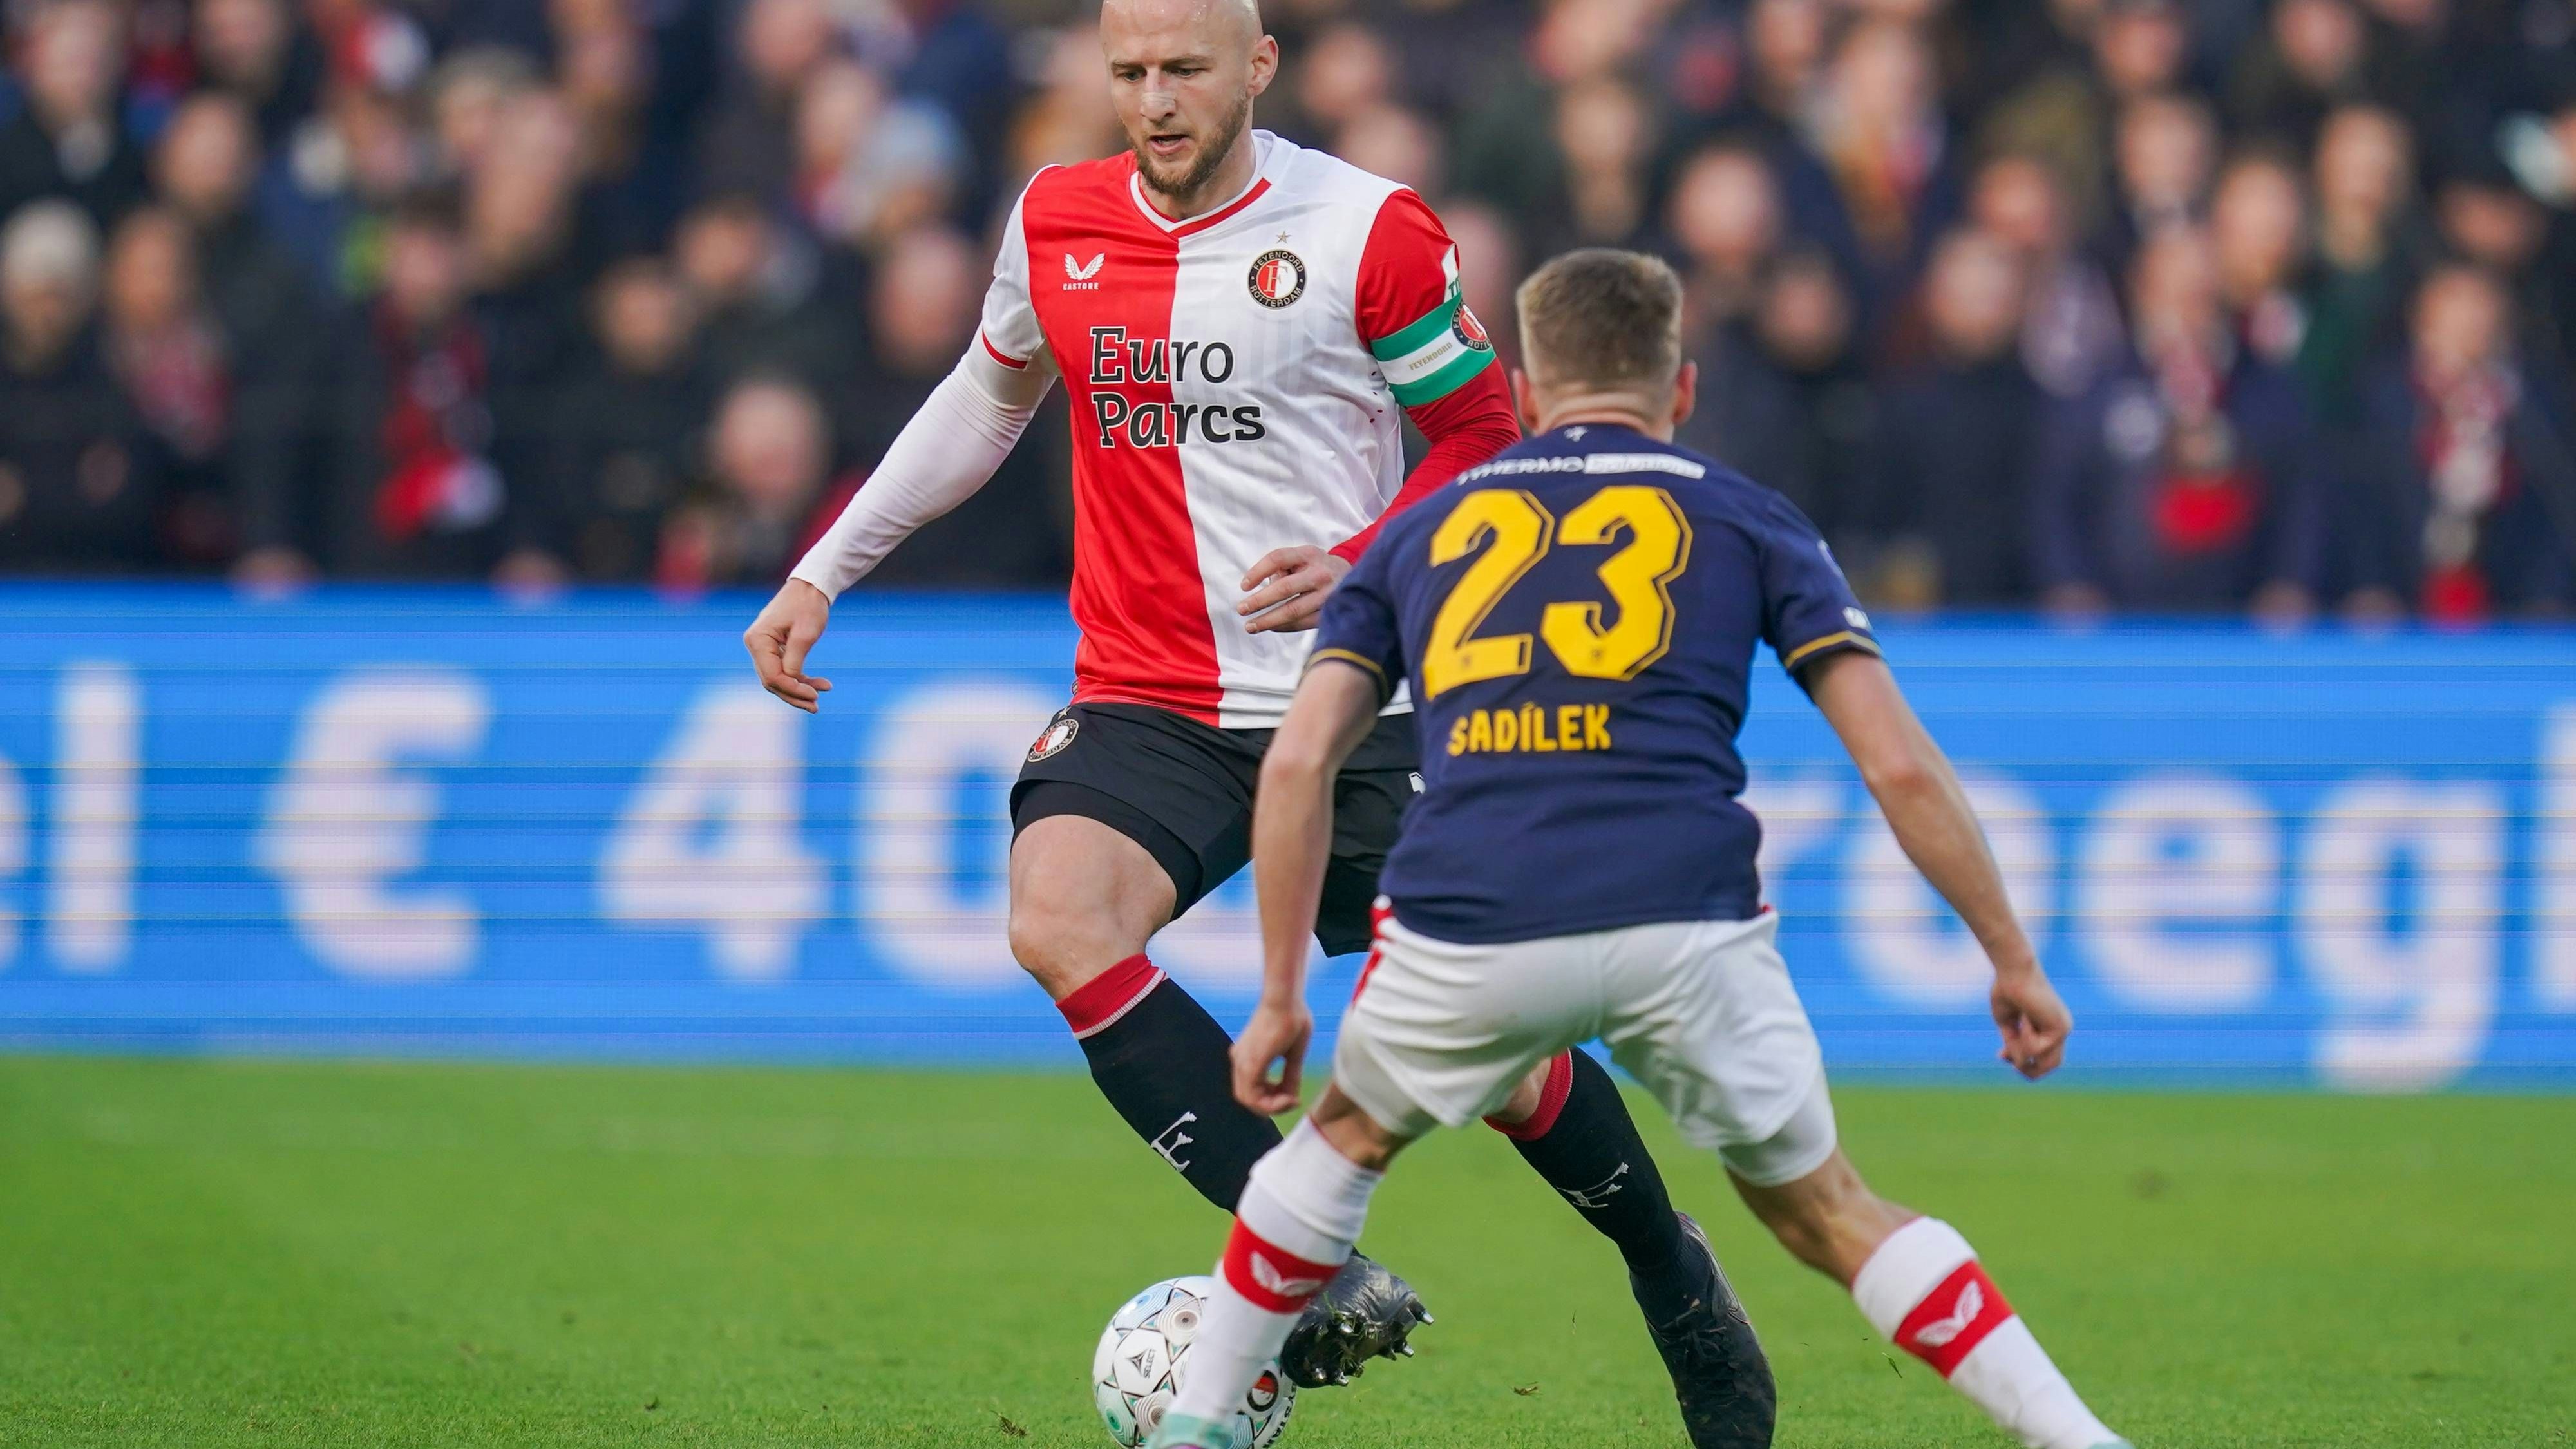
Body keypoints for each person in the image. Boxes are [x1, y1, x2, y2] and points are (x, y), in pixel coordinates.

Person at [743, 0, 1768, 1421]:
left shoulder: (1368, 231)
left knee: (1495, 1047)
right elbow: (986, 402)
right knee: (1057, 915)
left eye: (1182, 71)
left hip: (1354, 690)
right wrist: (823, 568)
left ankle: (1669, 1269)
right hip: (1148, 693)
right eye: (1127, 74)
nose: (1153, 101)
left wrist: (1361, 561)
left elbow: (1480, 437)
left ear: (1256, 69)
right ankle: (1309, 1263)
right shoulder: (1055, 219)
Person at [1141, 247, 2128, 1449]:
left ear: (1525, 388)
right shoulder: (1750, 518)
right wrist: (2012, 956)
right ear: (1685, 391)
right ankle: (2081, 1438)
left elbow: (1296, 764)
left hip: (1473, 916)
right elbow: (1900, 764)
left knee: (1328, 1156)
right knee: (1830, 1211)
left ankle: (1194, 1429)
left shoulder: (1422, 531)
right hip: (1686, 919)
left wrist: (1286, 992)